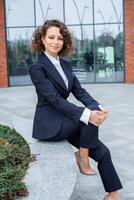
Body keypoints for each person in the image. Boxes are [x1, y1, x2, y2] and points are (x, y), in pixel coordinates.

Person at [29, 19, 122, 200]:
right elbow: (54, 100)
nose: (56, 42)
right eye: (51, 37)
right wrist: (89, 114)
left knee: (103, 152)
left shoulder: (65, 65)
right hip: (48, 123)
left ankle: (113, 194)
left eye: (60, 38)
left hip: (67, 120)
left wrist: (98, 108)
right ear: (42, 39)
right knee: (87, 117)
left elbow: (79, 91)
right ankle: (83, 158)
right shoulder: (37, 68)